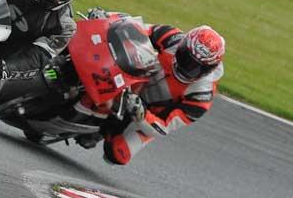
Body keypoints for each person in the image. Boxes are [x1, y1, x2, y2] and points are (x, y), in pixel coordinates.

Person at [76, 11, 226, 165]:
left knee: (118, 154)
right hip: (133, 77)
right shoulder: (172, 37)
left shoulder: (201, 96)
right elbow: (131, 28)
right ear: (182, 45)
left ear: (209, 69)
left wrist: (142, 114)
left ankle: (104, 130)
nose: (186, 68)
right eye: (185, 57)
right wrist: (106, 17)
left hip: (148, 112)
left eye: (195, 67)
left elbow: (164, 127)